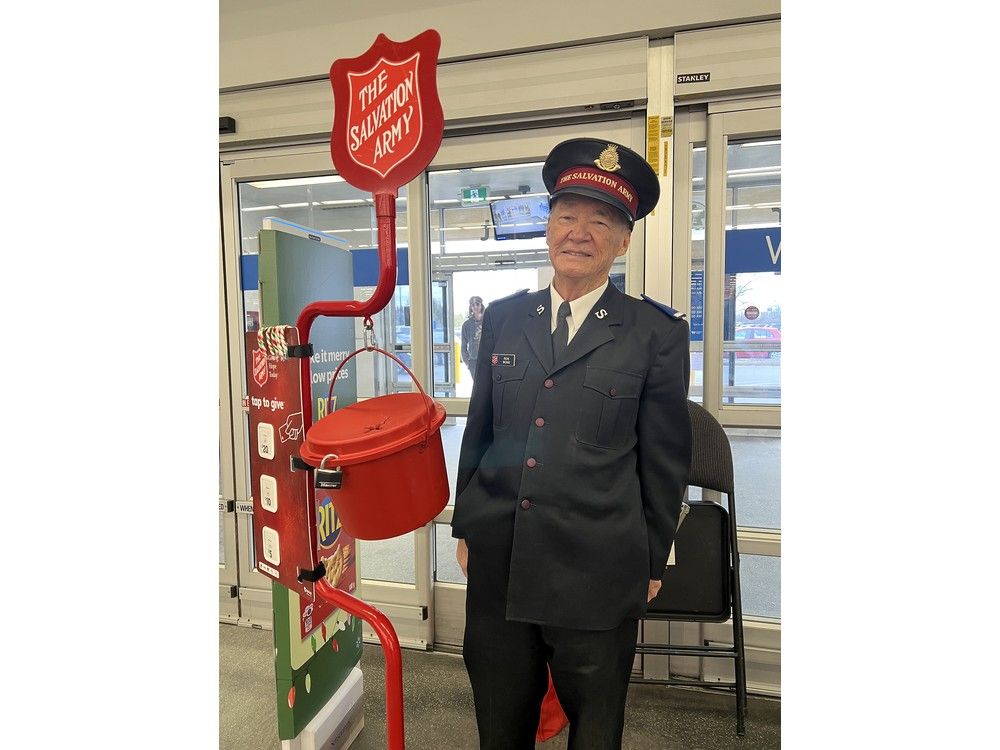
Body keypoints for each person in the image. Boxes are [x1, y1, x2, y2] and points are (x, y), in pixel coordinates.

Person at [451, 138, 692, 749]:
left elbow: (664, 460)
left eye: (601, 219)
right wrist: (466, 525)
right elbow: (481, 428)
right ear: (549, 226)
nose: (579, 232)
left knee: (595, 726)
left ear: (624, 239)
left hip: (597, 565)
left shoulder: (653, 334)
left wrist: (653, 556)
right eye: (567, 215)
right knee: (500, 719)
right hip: (500, 557)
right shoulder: (505, 318)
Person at [461, 295, 485, 380]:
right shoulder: (466, 325)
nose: (475, 307)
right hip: (473, 361)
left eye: (477, 304)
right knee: (477, 385)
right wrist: (467, 361)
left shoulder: (488, 321)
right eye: (473, 305)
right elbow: (463, 345)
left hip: (486, 359)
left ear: (481, 305)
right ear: (470, 307)